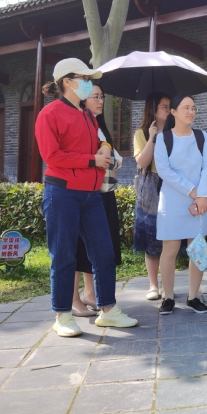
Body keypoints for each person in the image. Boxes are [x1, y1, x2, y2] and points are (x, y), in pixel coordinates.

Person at [35, 58, 138, 337]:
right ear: (68, 82)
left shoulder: (87, 114)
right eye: (85, 79)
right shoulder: (49, 113)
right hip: (62, 193)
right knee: (64, 255)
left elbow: (96, 141)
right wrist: (92, 160)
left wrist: (103, 147)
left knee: (104, 253)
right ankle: (62, 315)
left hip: (91, 195)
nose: (89, 84)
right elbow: (52, 156)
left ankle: (108, 310)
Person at [154, 94, 207, 315]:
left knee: (197, 248)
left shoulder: (201, 136)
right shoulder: (163, 138)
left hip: (200, 201)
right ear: (173, 112)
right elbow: (164, 171)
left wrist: (203, 195)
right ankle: (168, 297)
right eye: (186, 108)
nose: (191, 112)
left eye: (193, 108)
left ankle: (193, 296)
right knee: (169, 251)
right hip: (173, 201)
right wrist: (193, 192)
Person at [71, 84, 123, 316]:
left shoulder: (97, 124)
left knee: (98, 247)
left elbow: (114, 157)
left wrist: (110, 152)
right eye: (96, 97)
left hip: (103, 192)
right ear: (83, 99)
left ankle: (90, 293)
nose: (101, 101)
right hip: (82, 192)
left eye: (102, 96)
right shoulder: (79, 122)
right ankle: (73, 299)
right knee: (77, 246)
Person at [133, 92, 171, 301]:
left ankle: (167, 284)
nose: (168, 109)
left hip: (171, 184)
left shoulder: (175, 132)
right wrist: (152, 138)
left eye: (169, 106)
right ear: (153, 109)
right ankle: (153, 285)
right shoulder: (141, 133)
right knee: (151, 236)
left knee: (171, 237)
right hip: (150, 185)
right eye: (164, 106)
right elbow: (142, 162)